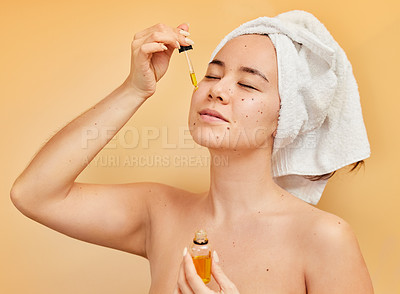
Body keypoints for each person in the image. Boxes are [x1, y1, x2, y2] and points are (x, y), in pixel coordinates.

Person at [10, 11, 374, 294]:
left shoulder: (324, 238)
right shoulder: (160, 213)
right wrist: (134, 89)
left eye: (247, 83)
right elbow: (34, 194)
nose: (217, 90)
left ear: (288, 116)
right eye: (213, 75)